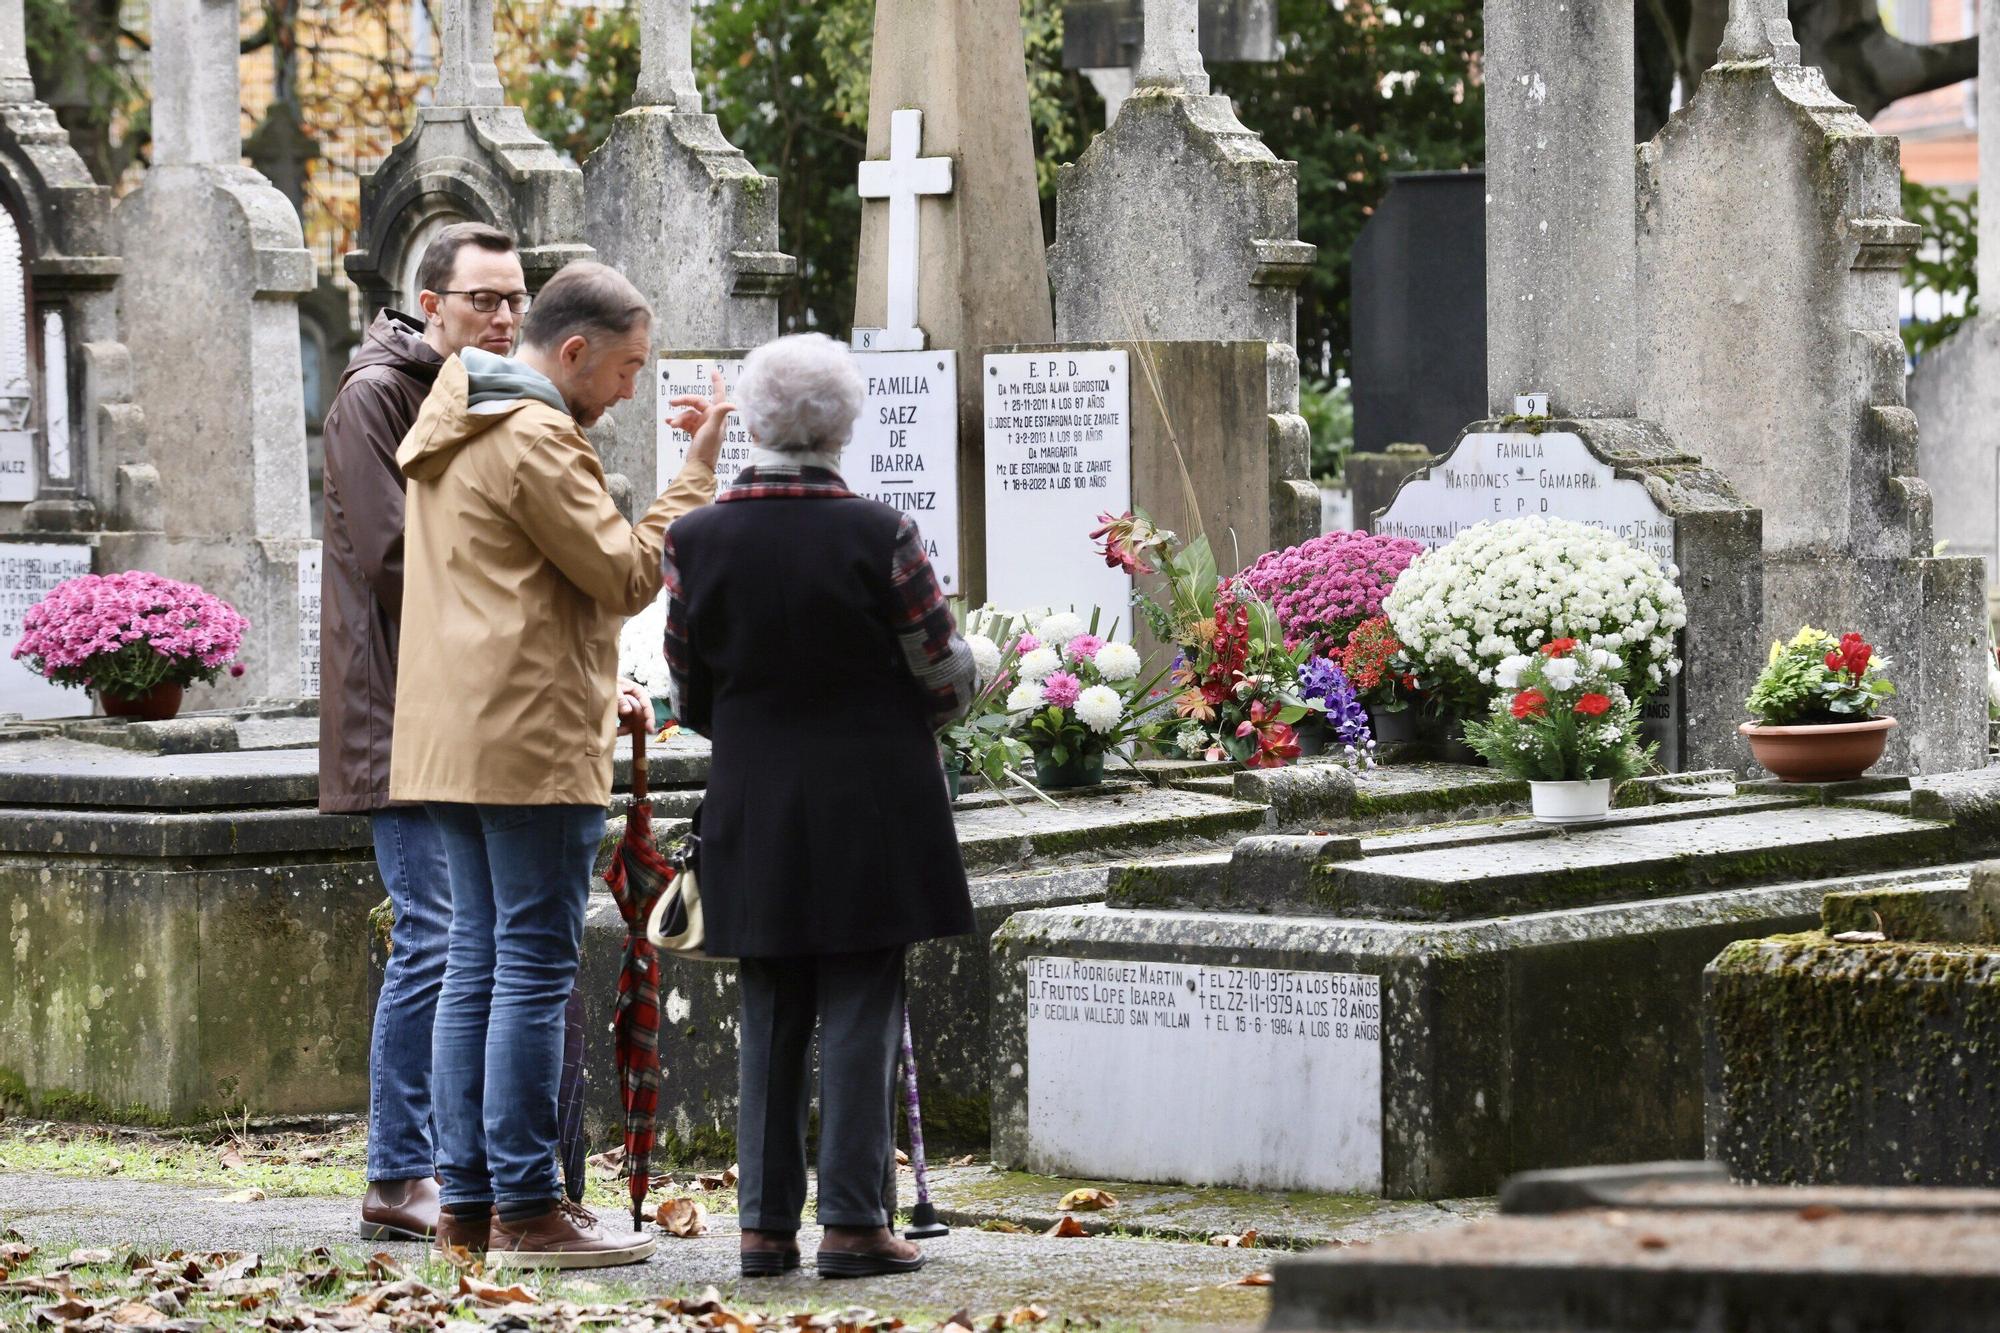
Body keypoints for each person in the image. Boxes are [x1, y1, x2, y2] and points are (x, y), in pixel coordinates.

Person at [390, 261, 732, 1269]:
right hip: (527, 739)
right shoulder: (535, 433)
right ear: (572, 350)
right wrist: (697, 474)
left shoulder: (456, 417)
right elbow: (625, 574)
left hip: (453, 734)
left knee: (475, 966)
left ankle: (467, 1204)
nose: (633, 387)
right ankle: (531, 1207)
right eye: (626, 367)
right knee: (532, 967)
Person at [659, 333, 977, 1280]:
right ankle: (851, 1221)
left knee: (771, 1002)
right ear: (843, 425)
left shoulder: (694, 538)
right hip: (875, 796)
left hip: (755, 793)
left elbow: (688, 692)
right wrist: (979, 673)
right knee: (863, 998)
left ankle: (761, 1228)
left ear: (751, 423)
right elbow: (942, 674)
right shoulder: (879, 533)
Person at [320, 221, 527, 1243]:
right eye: (482, 298)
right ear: (430, 303)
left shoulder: (481, 392)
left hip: (469, 706)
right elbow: (401, 559)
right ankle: (397, 1174)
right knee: (435, 933)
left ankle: (457, 1164)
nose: (500, 316)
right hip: (397, 712)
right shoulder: (377, 396)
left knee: (467, 936)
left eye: (514, 299)